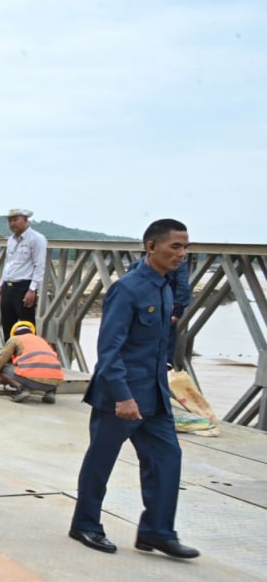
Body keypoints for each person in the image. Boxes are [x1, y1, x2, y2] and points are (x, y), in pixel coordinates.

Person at [67, 219, 198, 559]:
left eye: (185, 247)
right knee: (101, 459)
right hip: (120, 396)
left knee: (167, 458)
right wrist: (123, 396)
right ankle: (86, 525)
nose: (182, 254)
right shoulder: (127, 289)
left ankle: (156, 531)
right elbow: (109, 350)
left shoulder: (166, 288)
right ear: (151, 247)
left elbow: (163, 342)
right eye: (176, 247)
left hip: (154, 395)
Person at [0, 320, 63, 403]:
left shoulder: (15, 339)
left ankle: (22, 390)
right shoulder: (42, 340)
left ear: (14, 333)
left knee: (1, 367)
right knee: (48, 369)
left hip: (33, 381)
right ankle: (50, 393)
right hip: (54, 383)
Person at [0, 208, 48, 339]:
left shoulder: (36, 239)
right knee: (7, 324)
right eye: (10, 221)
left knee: (27, 325)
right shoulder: (11, 240)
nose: (12, 223)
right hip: (8, 286)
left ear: (25, 220)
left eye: (15, 220)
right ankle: (10, 357)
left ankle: (29, 356)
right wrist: (1, 285)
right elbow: (8, 264)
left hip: (24, 287)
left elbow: (39, 265)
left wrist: (32, 289)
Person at [129, 254, 190, 368]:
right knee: (165, 352)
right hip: (166, 310)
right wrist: (177, 311)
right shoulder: (178, 265)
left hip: (142, 313)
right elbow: (183, 287)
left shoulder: (137, 265)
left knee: (140, 348)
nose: (182, 252)